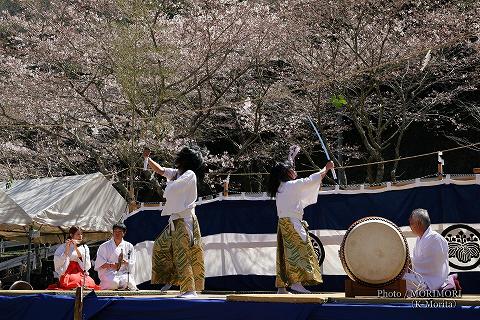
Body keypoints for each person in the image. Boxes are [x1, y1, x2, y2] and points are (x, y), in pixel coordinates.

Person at [267, 145, 334, 294]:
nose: (294, 170)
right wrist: (327, 167)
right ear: (287, 173)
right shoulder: (291, 186)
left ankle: (281, 287)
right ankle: (296, 282)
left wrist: (292, 157)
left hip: (284, 223)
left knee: (285, 254)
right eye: (291, 169)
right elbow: (312, 179)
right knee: (300, 250)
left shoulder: (281, 187)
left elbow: (292, 173)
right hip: (292, 223)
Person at [144, 146, 205, 298]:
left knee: (183, 254)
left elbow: (174, 188)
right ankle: (172, 277)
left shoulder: (190, 174)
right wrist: (147, 159)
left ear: (185, 160)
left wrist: (170, 183)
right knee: (160, 246)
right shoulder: (179, 173)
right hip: (175, 220)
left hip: (185, 220)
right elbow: (160, 170)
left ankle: (190, 290)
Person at [403, 208, 450, 291]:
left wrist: (407, 263)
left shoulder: (435, 239)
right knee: (397, 278)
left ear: (419, 223)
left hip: (432, 281)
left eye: (411, 223)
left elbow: (430, 266)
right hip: (423, 277)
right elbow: (419, 261)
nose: (410, 226)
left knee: (401, 280)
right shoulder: (420, 238)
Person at [49, 226, 100, 290]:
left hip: (79, 269)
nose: (80, 236)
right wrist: (67, 248)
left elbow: (84, 261)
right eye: (78, 234)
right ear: (71, 235)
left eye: (81, 234)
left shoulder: (84, 247)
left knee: (90, 282)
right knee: (76, 281)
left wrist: (76, 247)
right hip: (67, 270)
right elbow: (58, 260)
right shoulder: (63, 246)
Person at [94, 222, 137, 290]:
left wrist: (126, 262)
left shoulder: (129, 246)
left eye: (120, 232)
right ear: (113, 232)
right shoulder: (104, 246)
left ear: (124, 233)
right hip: (109, 272)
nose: (117, 233)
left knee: (129, 283)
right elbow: (100, 263)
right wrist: (111, 265)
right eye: (115, 231)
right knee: (114, 283)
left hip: (123, 272)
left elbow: (132, 261)